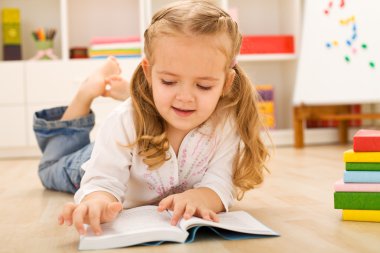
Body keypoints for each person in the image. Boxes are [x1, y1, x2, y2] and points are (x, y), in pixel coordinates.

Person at [33, 0, 269, 236]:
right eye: (168, 81)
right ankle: (86, 92)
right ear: (148, 72)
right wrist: (97, 200)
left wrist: (202, 196)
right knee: (50, 168)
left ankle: (140, 93)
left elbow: (220, 182)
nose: (186, 97)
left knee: (156, 106)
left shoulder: (225, 124)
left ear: (227, 83)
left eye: (204, 86)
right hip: (99, 159)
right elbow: (102, 179)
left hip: (135, 143)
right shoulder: (123, 121)